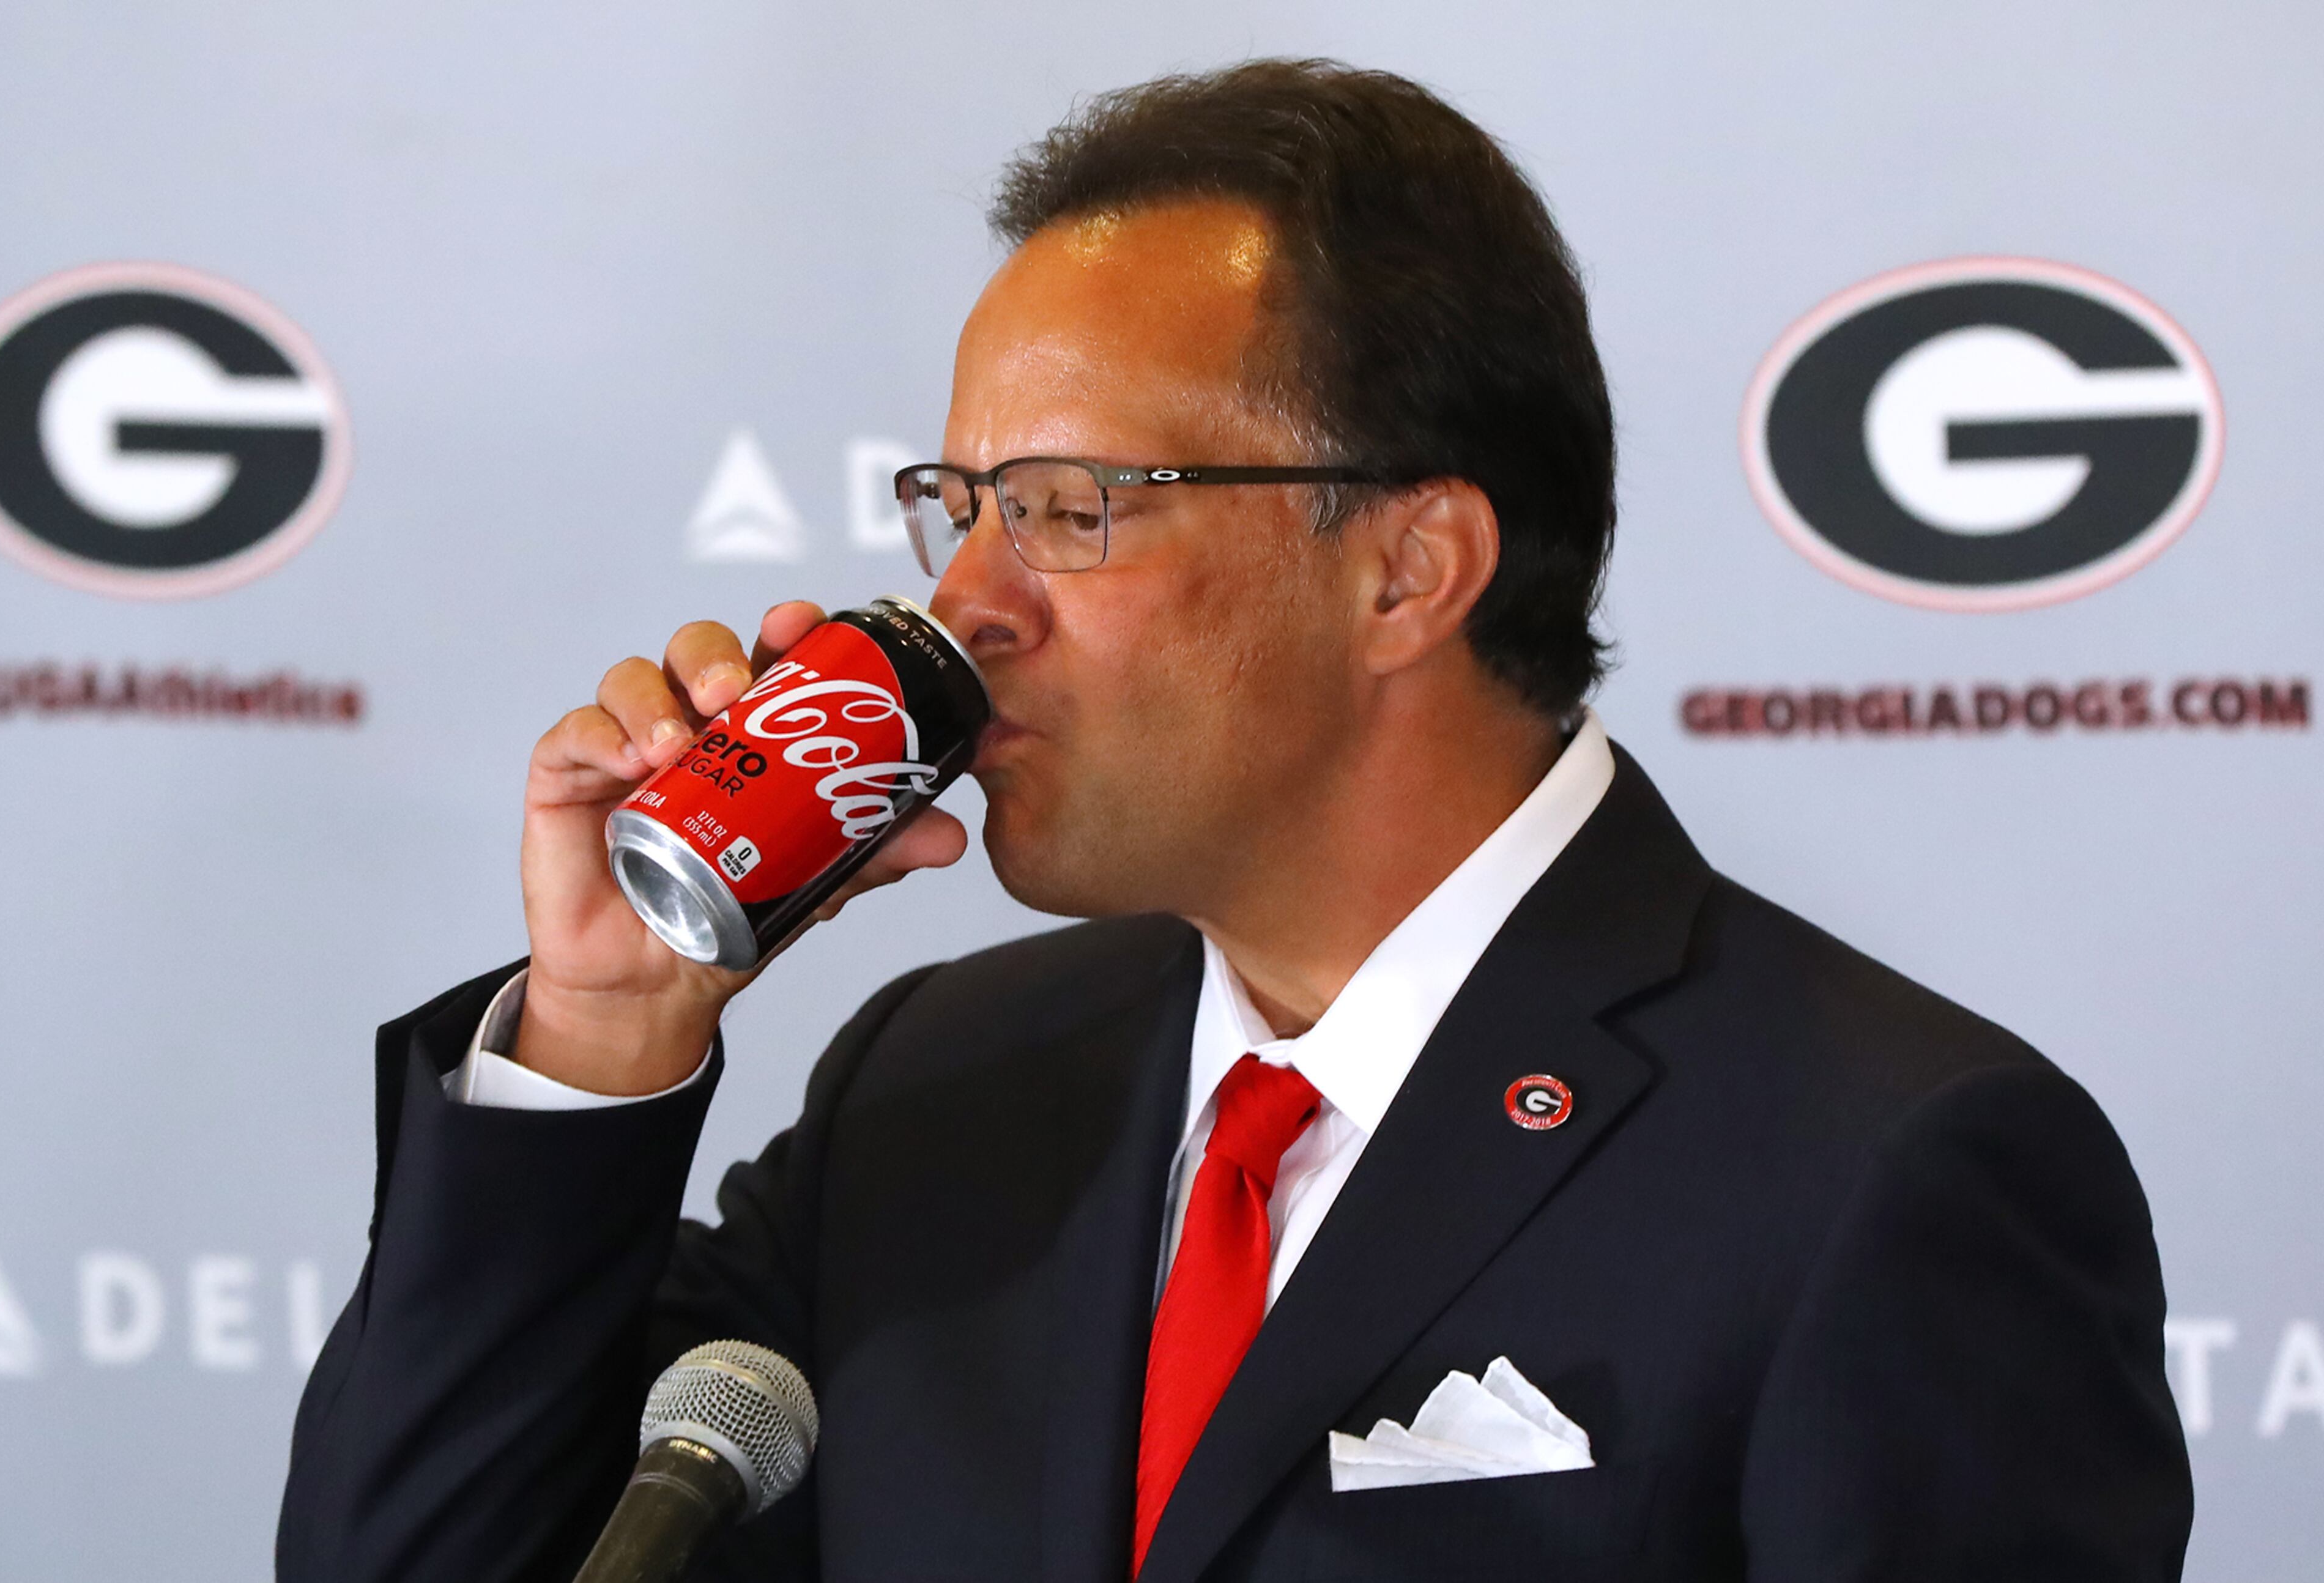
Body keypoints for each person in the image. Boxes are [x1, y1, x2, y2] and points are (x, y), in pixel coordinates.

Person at [278, 59, 2192, 1583]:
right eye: (961, 506)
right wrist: (605, 1025)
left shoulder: (1885, 1168)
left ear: (1408, 568)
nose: (966, 604)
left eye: (1072, 510)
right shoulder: (939, 1088)